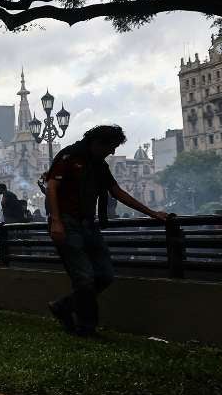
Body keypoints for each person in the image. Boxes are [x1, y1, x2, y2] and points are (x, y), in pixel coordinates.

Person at [45, 125, 170, 336]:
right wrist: (56, 221)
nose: (112, 152)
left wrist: (151, 213)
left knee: (105, 275)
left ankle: (63, 307)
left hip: (88, 224)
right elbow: (51, 187)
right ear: (97, 143)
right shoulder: (69, 156)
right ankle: (87, 328)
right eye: (110, 147)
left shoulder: (99, 165)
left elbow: (117, 192)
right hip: (68, 223)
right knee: (84, 279)